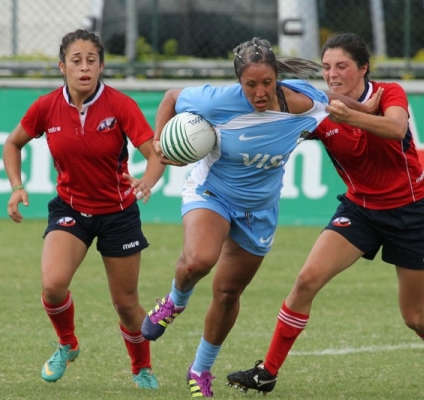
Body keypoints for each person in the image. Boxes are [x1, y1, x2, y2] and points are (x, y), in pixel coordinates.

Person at [226, 32, 424, 394]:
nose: (333, 74)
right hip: (359, 210)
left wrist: (351, 116)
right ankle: (268, 371)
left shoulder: (388, 94)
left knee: (415, 316)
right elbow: (272, 118)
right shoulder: (318, 108)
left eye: (342, 66)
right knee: (306, 280)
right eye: (326, 67)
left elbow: (395, 127)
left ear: (363, 68)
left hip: (409, 211)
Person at [139, 37, 373, 398]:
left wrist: (377, 107)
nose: (260, 92)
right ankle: (175, 301)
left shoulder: (304, 102)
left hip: (259, 211)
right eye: (251, 85)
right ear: (239, 83)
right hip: (212, 193)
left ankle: (200, 369)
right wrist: (159, 141)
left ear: (277, 77)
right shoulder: (216, 101)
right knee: (198, 260)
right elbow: (171, 97)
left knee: (228, 293)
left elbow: (346, 105)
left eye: (267, 82)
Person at [3, 29, 165, 389]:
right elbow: (12, 144)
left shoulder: (120, 105)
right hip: (71, 210)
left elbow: (155, 153)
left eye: (91, 60)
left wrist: (147, 181)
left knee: (126, 305)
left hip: (119, 213)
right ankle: (67, 344)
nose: (84, 67)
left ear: (102, 66)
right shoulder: (46, 106)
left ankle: (141, 368)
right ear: (62, 67)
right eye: (76, 61)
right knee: (53, 286)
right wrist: (16, 186)